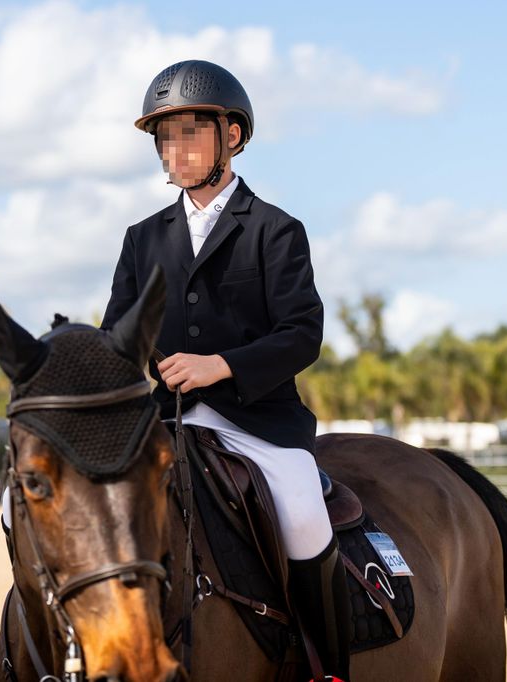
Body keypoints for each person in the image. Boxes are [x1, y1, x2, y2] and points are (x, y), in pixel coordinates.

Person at [99, 59, 351, 681]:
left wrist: (220, 366)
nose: (174, 148)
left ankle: (329, 665)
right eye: (166, 135)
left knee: (300, 509)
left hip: (256, 420)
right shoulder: (142, 238)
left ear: (231, 136)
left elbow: (302, 333)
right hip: (164, 421)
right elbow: (116, 334)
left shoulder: (275, 230)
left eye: (190, 131)